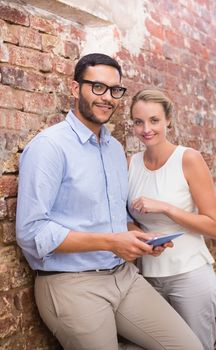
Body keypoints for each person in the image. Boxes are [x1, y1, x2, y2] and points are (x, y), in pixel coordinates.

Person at [16, 53, 204, 350]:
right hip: (70, 283)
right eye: (98, 87)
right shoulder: (49, 147)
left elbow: (117, 218)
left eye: (115, 90)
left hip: (124, 276)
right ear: (76, 89)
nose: (108, 97)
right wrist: (111, 242)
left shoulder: (115, 149)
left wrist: (139, 237)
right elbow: (32, 232)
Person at [128, 88, 216, 350]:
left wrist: (166, 208)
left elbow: (214, 226)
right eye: (138, 122)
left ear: (168, 119)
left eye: (154, 120)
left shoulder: (188, 159)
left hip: (190, 275)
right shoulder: (130, 164)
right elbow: (125, 219)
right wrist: (139, 232)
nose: (146, 129)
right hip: (146, 276)